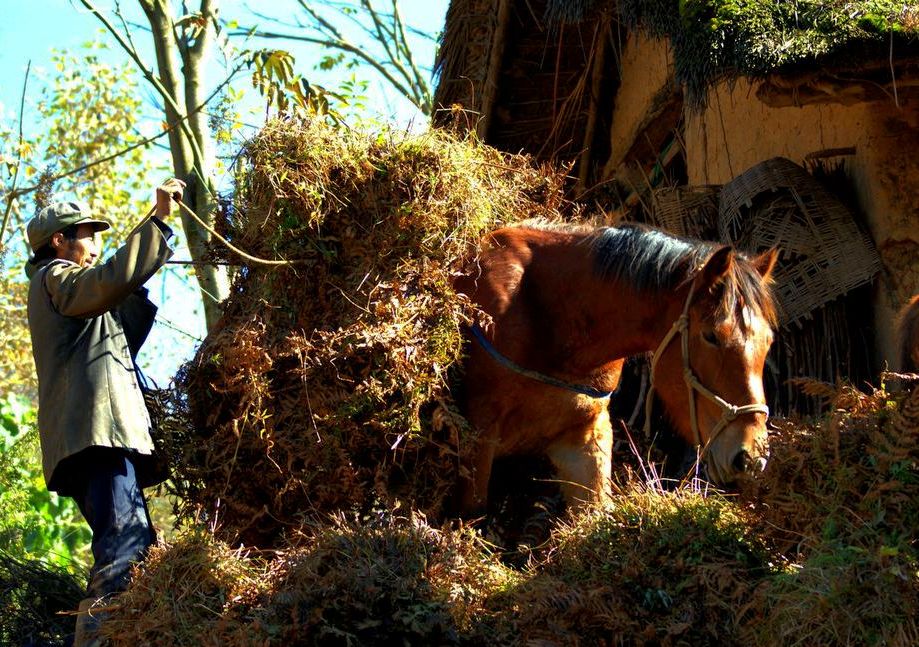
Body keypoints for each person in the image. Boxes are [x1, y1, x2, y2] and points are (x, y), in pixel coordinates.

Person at [25, 178, 185, 646]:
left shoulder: (76, 297)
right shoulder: (54, 277)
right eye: (88, 236)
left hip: (98, 438)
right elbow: (105, 283)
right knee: (123, 550)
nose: (95, 246)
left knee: (140, 550)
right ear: (59, 241)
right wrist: (156, 222)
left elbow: (120, 325)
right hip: (96, 438)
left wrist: (136, 272)